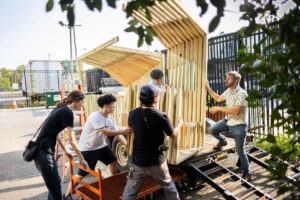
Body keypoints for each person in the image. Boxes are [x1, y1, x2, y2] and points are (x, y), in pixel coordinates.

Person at [64, 94, 132, 200]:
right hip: (88, 148)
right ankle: (67, 194)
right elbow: (104, 131)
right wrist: (123, 131)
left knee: (114, 160)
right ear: (105, 106)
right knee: (83, 173)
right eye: (113, 105)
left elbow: (117, 135)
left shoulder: (110, 119)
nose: (114, 107)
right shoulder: (95, 116)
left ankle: (112, 182)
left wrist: (128, 146)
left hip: (101, 146)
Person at [122, 84, 183, 200]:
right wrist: (180, 124)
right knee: (169, 188)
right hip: (157, 162)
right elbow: (173, 135)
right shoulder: (161, 116)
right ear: (155, 99)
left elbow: (130, 125)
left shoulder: (133, 113)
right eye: (158, 94)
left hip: (138, 162)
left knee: (129, 193)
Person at [33, 90, 89, 200]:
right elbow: (72, 139)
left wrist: (65, 150)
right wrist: (82, 159)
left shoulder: (60, 108)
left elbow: (57, 135)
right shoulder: (67, 112)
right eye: (82, 102)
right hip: (43, 153)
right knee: (55, 189)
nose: (83, 105)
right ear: (76, 101)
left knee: (54, 185)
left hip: (42, 152)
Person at [205, 71, 251, 181]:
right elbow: (218, 98)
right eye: (226, 78)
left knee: (240, 151)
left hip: (239, 125)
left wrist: (219, 108)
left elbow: (236, 111)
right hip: (228, 121)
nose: (226, 80)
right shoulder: (229, 91)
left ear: (235, 81)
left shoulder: (241, 93)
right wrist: (208, 87)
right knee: (212, 129)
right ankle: (223, 140)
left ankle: (247, 173)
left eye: (229, 79)